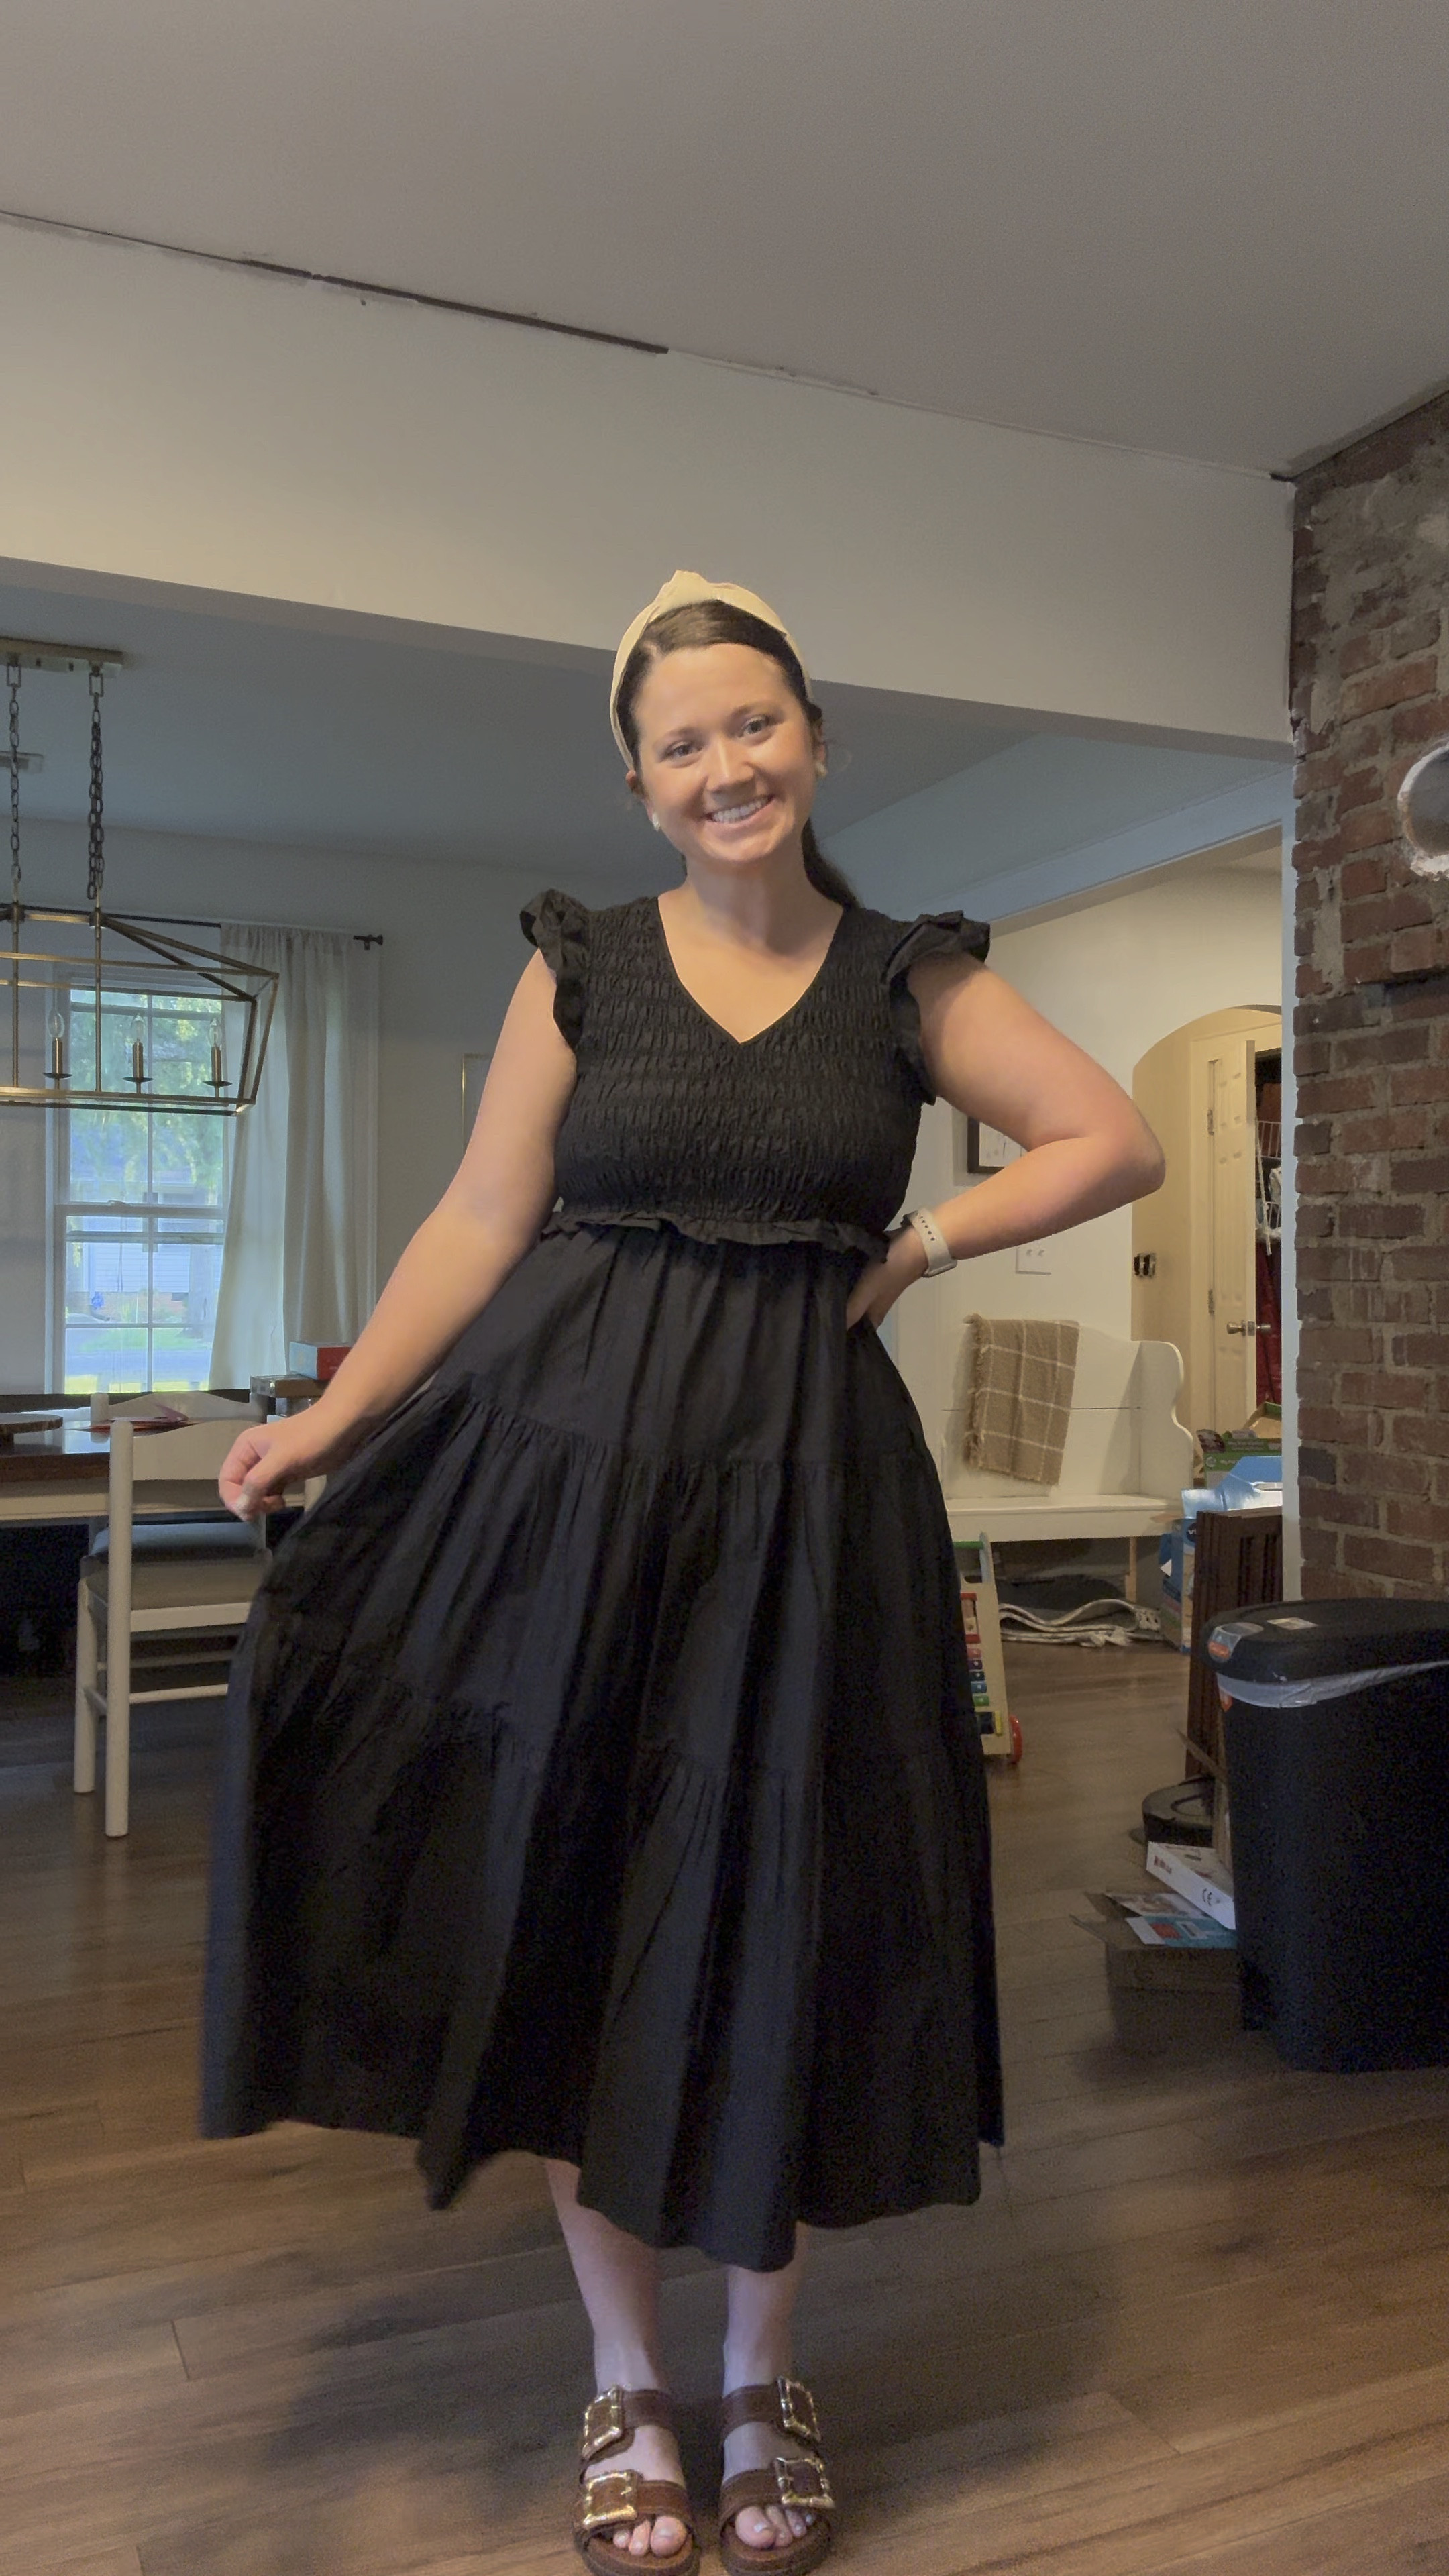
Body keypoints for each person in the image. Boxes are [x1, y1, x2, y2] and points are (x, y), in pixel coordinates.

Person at [204, 570, 1164, 2576]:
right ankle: (629, 2382)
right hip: (566, 1485)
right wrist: (337, 1420)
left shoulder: (909, 976)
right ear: (638, 789)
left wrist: (919, 1252)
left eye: (754, 726)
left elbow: (1110, 1135)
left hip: (809, 1506)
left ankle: (761, 2380)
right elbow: (481, 1222)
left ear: (815, 741)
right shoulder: (581, 971)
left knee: (780, 1920)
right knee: (580, 1900)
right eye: (682, 745)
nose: (725, 766)